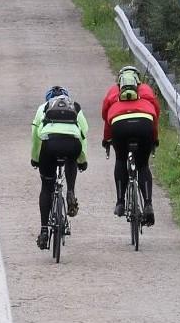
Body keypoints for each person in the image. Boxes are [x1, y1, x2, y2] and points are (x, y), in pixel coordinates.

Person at [101, 65, 160, 226]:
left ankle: (120, 202)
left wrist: (106, 139)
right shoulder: (146, 89)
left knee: (120, 160)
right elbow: (155, 115)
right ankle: (147, 203)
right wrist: (154, 138)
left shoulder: (114, 91)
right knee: (142, 165)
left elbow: (106, 117)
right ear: (137, 79)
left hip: (119, 125)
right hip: (144, 124)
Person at [31, 85, 88, 250]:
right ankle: (70, 191)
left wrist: (35, 158)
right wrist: (82, 159)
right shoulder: (75, 107)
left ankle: (43, 231)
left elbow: (35, 136)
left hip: (50, 145)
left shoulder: (43, 108)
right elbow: (82, 133)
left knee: (46, 187)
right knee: (71, 158)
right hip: (72, 145)